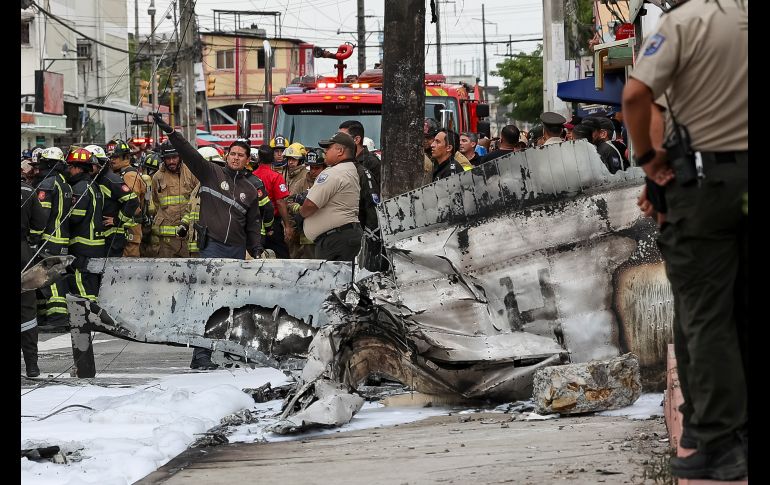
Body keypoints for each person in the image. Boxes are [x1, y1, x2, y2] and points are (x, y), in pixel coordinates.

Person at [622, 0, 747, 480]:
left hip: (709, 184)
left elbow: (638, 96)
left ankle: (719, 441)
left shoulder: (686, 22)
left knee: (705, 312)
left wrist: (651, 164)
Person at [153, 113, 264, 370]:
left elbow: (253, 223)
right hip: (211, 247)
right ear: (227, 156)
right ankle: (201, 356)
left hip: (236, 251)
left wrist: (256, 247)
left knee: (233, 303)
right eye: (232, 153)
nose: (236, 158)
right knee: (208, 301)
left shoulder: (250, 189)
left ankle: (230, 352)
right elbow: (188, 152)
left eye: (241, 155)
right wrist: (170, 132)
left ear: (248, 161)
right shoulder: (210, 173)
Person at [298, 132, 362, 261]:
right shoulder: (350, 169)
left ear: (340, 151)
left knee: (332, 281)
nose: (325, 151)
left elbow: (310, 205)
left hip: (334, 241)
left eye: (328, 148)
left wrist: (300, 212)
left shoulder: (333, 173)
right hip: (345, 236)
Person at [28, 147, 72, 329]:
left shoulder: (47, 184)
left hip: (49, 238)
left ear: (48, 163)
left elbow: (42, 215)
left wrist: (34, 237)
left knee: (50, 278)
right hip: (62, 238)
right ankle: (52, 317)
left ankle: (57, 319)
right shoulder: (65, 184)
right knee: (57, 276)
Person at [84, 145, 140, 257]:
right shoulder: (96, 179)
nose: (87, 169)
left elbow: (132, 201)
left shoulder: (110, 180)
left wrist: (117, 220)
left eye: (90, 165)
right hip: (102, 234)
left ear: (99, 164)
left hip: (113, 236)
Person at [150, 141, 198, 258]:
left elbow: (197, 200)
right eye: (168, 158)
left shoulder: (191, 173)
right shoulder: (157, 177)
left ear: (180, 156)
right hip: (167, 240)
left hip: (188, 235)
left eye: (174, 157)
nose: (171, 161)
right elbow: (156, 202)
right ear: (163, 158)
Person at [21, 176, 47, 377]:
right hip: (23, 255)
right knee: (27, 310)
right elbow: (40, 222)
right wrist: (31, 241)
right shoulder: (28, 191)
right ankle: (32, 364)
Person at [107, 139, 147, 257]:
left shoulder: (129, 176)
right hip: (124, 230)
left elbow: (131, 205)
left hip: (130, 231)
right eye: (110, 157)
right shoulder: (120, 174)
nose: (112, 160)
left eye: (115, 157)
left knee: (130, 267)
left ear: (126, 157)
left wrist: (116, 220)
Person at [254, 145, 294, 258]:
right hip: (272, 225)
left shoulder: (252, 176)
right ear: (272, 159)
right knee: (282, 256)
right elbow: (280, 202)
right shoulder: (276, 177)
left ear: (259, 158)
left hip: (254, 224)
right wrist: (287, 226)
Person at [287, 148, 327, 259]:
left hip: (326, 231)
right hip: (305, 232)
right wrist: (299, 208)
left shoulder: (329, 182)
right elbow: (289, 201)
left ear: (324, 167)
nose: (313, 171)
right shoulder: (301, 183)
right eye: (311, 167)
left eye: (317, 168)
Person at [339, 119, 382, 191]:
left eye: (342, 137)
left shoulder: (372, 163)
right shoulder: (341, 160)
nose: (337, 141)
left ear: (356, 139)